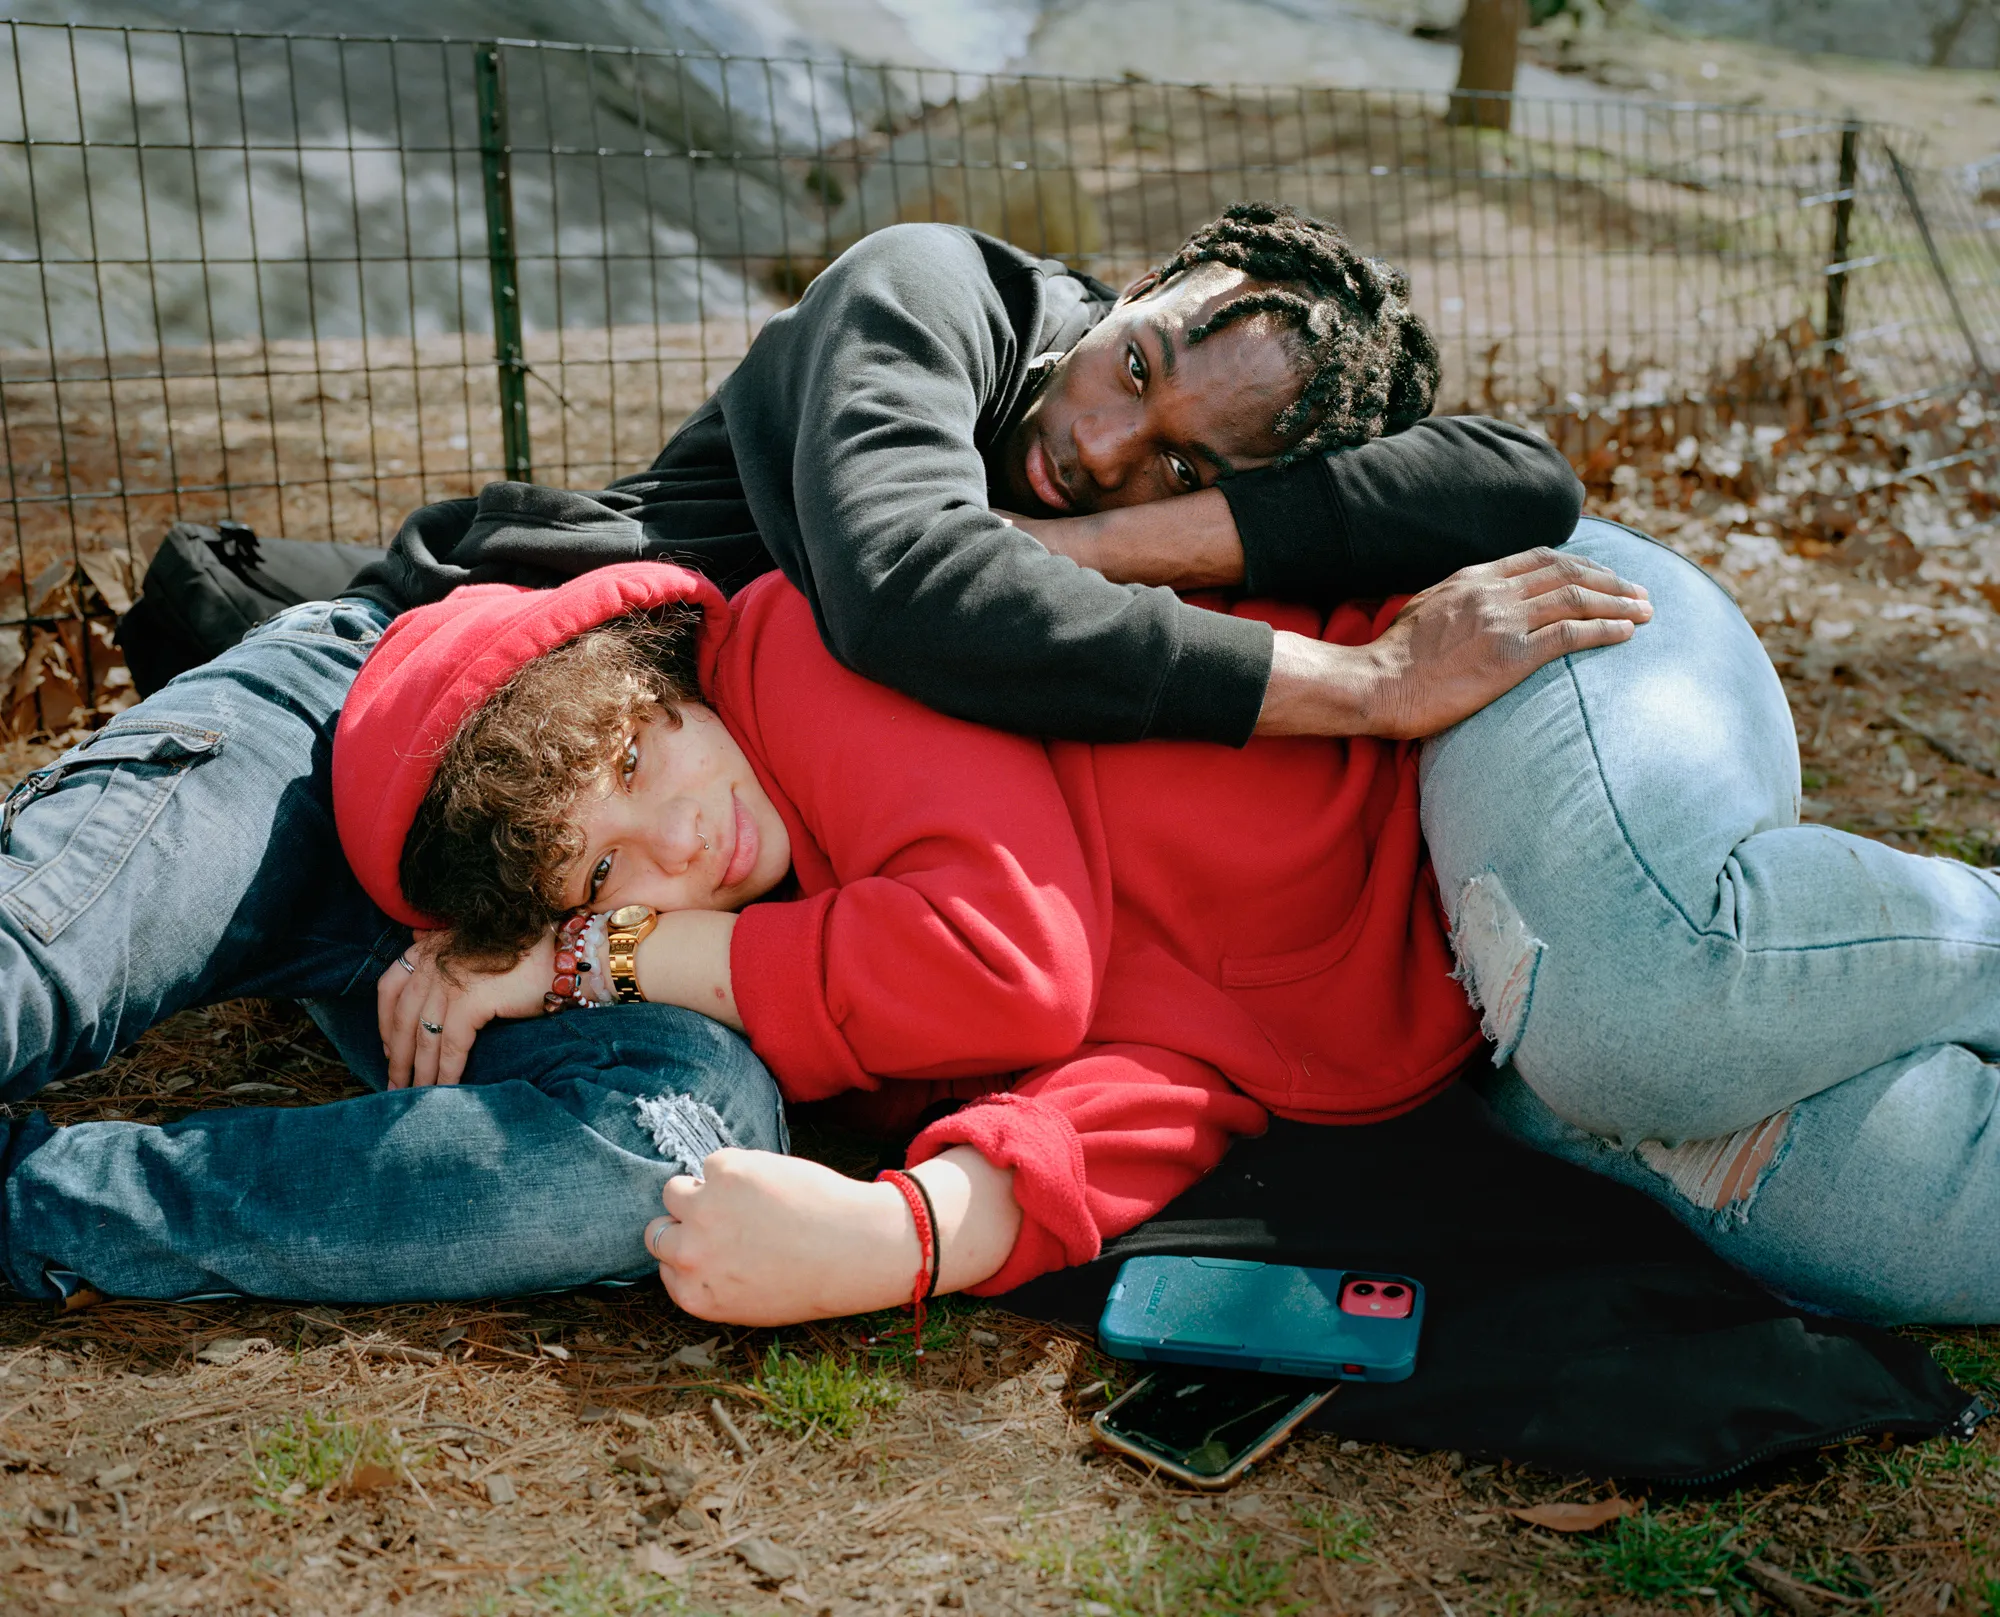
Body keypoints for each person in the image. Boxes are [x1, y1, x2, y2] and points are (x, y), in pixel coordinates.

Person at [0, 204, 1625, 1304]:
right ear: (1130, 290)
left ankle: (46, 1211)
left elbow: (1514, 481)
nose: (1103, 445)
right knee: (31, 962)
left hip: (604, 894)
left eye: (1185, 462)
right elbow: (916, 584)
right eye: (1136, 366)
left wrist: (597, 962)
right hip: (399, 723)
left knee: (669, 1149)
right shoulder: (936, 300)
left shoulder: (1124, 573)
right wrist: (1360, 689)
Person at [338, 512, 2000, 1331]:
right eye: (602, 871)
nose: (677, 834)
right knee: (1912, 1233)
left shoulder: (809, 653)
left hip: (1515, 674)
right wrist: (910, 1233)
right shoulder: (827, 953)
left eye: (637, 758)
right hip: (1475, 1005)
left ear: (659, 676)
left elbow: (1007, 962)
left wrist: (618, 951)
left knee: (1641, 1006)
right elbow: (1153, 1088)